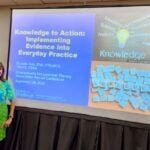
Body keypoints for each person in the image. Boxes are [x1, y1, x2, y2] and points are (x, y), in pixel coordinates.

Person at [0, 62, 15, 149]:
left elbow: (12, 101)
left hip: (1, 115)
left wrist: (10, 117)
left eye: (0, 69)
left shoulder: (5, 84)